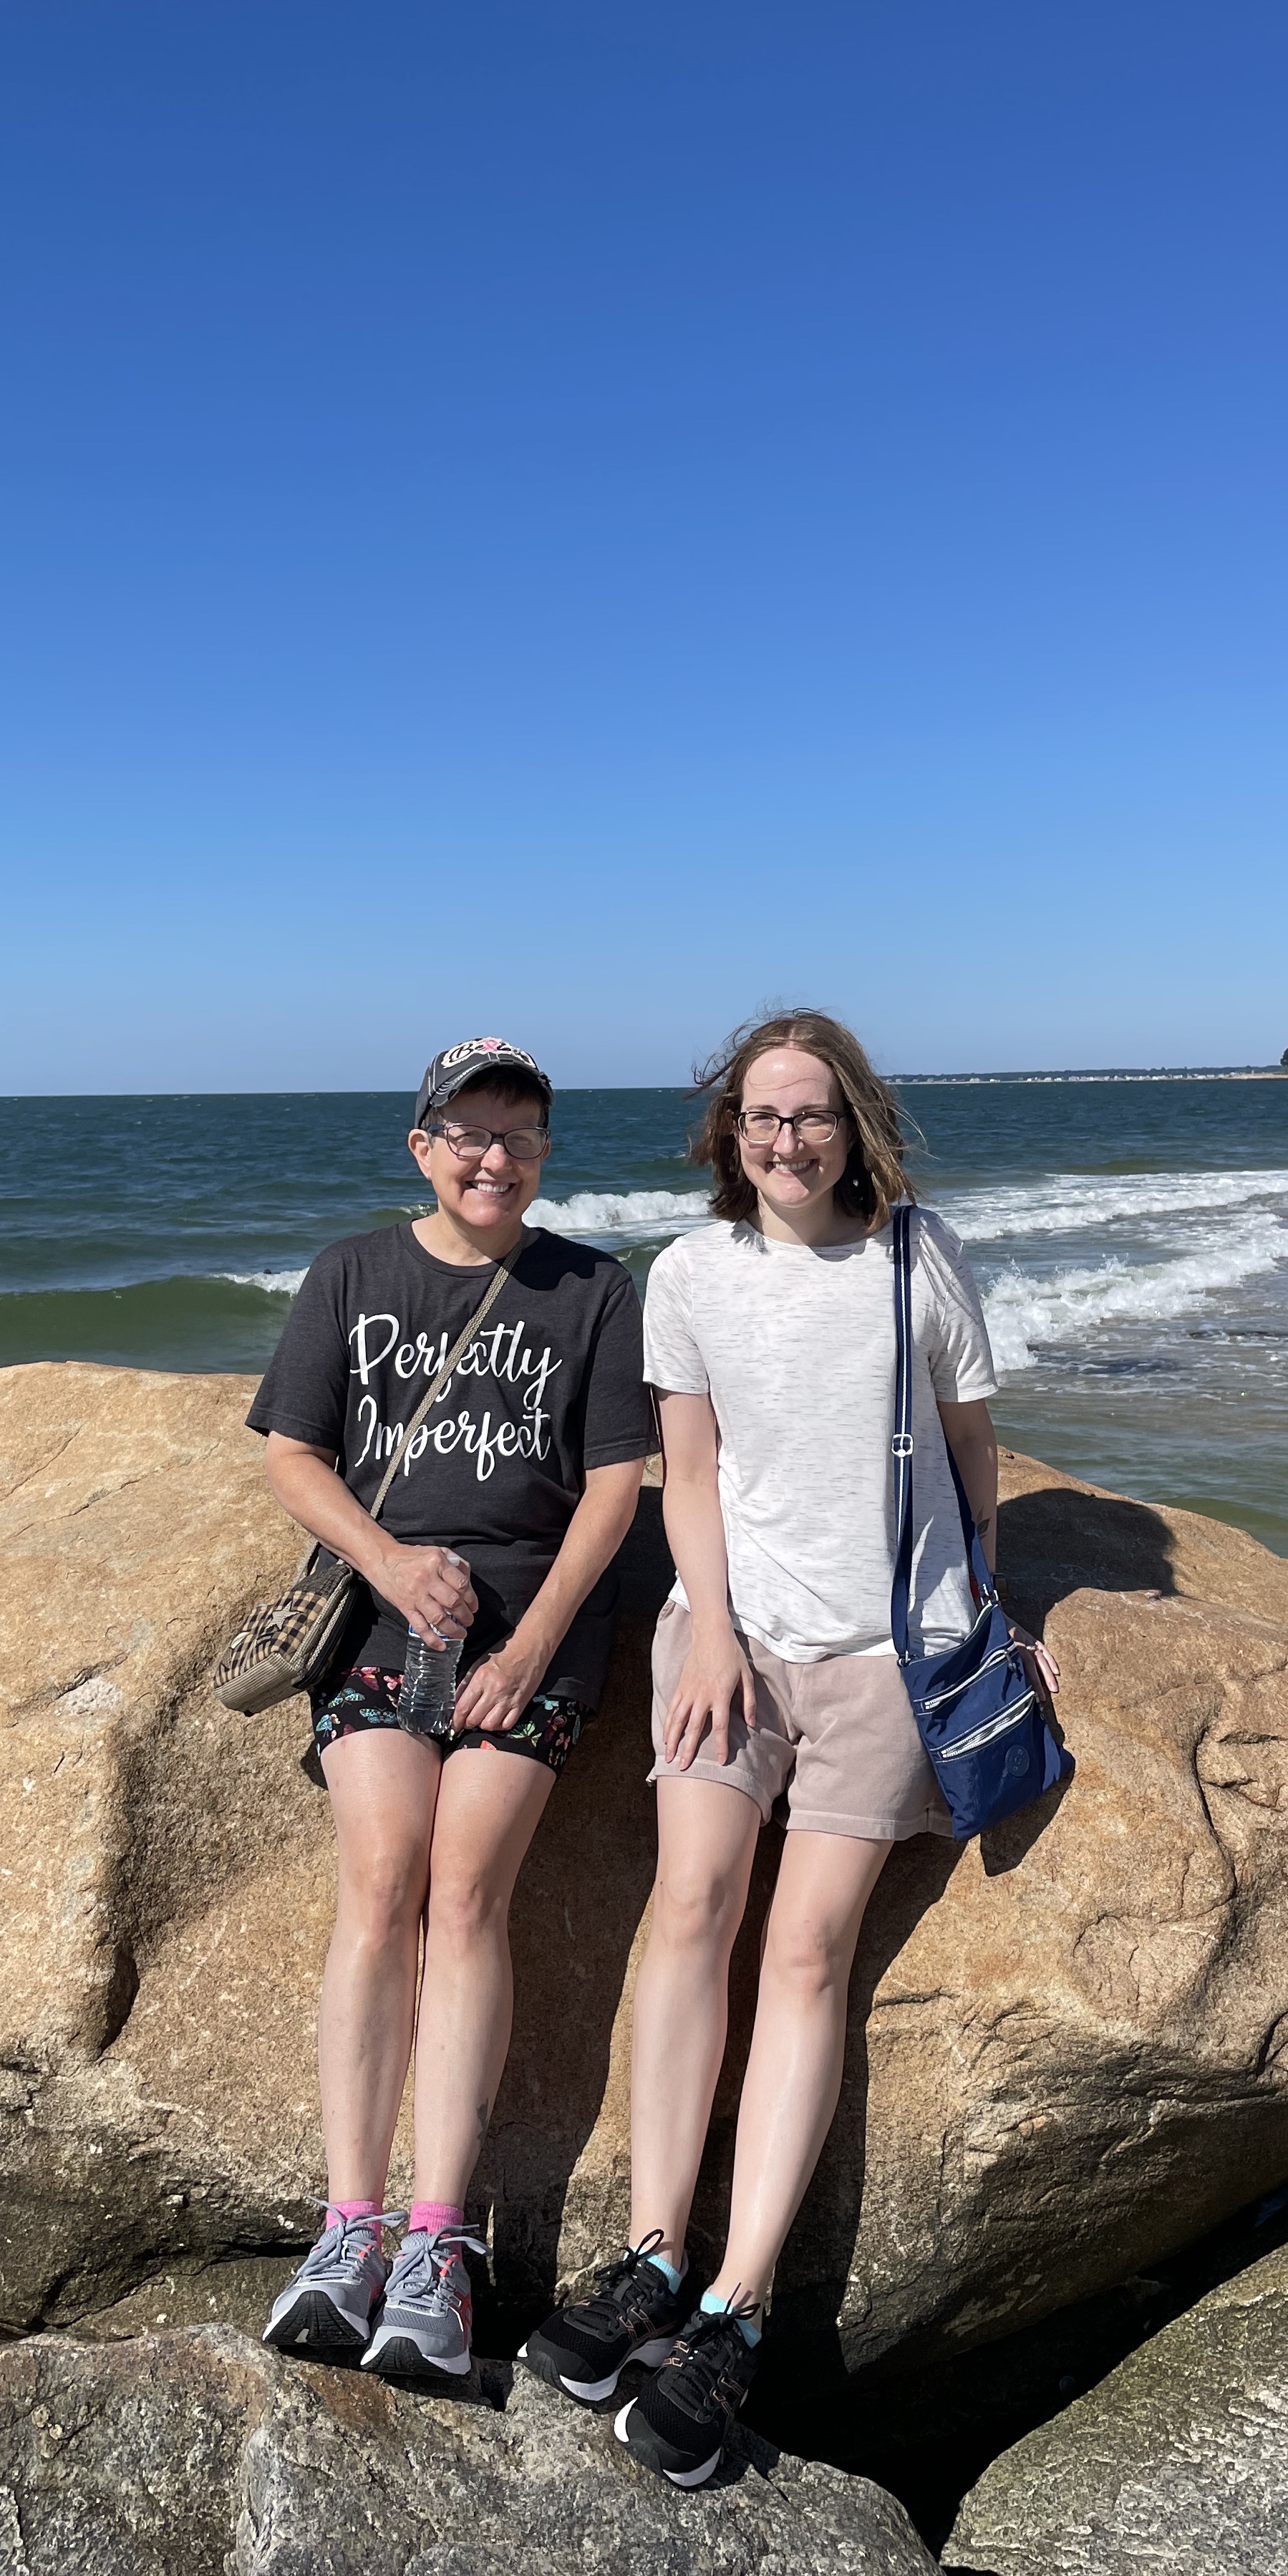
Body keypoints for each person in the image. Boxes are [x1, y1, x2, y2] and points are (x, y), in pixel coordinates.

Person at [520, 1010, 1055, 2482]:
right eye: (761, 1116)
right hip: (729, 1646)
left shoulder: (916, 1258)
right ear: (727, 1132)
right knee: (689, 1913)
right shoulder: (686, 1276)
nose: (785, 1140)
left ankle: (738, 2305)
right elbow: (686, 1471)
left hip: (888, 1651)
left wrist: (985, 1607)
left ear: (855, 1124)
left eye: (811, 1115)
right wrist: (711, 1633)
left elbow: (970, 1450)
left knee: (808, 1954)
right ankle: (651, 2253)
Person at [251, 1036, 653, 2381]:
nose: (496, 1158)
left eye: (522, 1137)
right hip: (378, 1620)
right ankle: (350, 2223)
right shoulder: (353, 1273)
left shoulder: (595, 1291)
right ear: (422, 1146)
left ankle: (439, 2240)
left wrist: (535, 1643)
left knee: (468, 1892)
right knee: (381, 1881)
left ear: (545, 1156)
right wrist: (386, 1559)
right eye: (471, 1133)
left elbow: (613, 1488)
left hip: (532, 1639)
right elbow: (291, 1453)